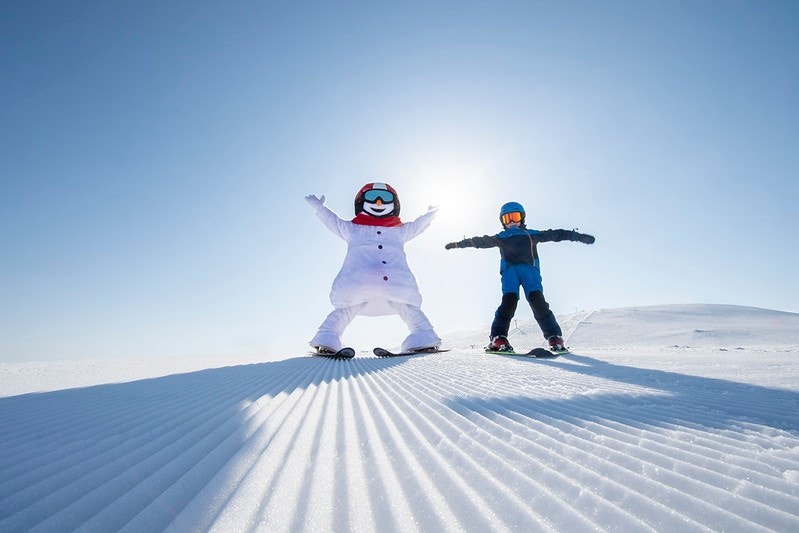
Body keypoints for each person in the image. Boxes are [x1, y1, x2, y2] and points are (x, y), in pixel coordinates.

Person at [305, 182, 441, 354]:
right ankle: (328, 338)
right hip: (383, 285)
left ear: (394, 204)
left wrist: (430, 214)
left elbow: (417, 225)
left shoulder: (399, 231)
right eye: (371, 197)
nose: (378, 203)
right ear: (361, 201)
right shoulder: (353, 229)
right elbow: (334, 222)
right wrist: (319, 208)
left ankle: (327, 335)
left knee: (350, 309)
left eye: (385, 198)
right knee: (400, 307)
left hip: (372, 285)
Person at [444, 201, 595, 353]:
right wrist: (458, 244)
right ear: (502, 222)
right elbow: (479, 241)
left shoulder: (531, 234)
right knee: (509, 302)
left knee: (538, 301)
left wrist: (577, 236)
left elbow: (556, 234)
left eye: (514, 217)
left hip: (530, 271)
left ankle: (554, 337)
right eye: (507, 219)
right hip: (510, 273)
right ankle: (498, 338)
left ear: (522, 218)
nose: (511, 222)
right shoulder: (501, 237)